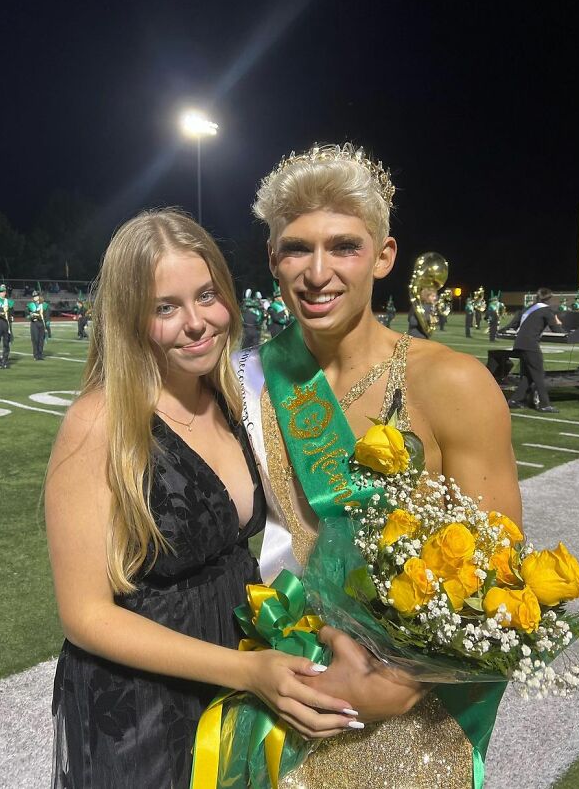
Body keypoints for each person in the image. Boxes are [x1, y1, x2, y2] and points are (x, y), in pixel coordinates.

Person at [237, 143, 522, 787]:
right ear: (272, 260)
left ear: (384, 257)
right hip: (285, 696)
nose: (317, 273)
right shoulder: (250, 381)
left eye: (344, 247)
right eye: (295, 248)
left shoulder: (452, 383)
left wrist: (395, 683)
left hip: (418, 723)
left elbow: (505, 579)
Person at [46, 209, 357, 789]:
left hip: (236, 676)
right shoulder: (99, 423)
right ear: (130, 318)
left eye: (208, 295)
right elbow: (84, 615)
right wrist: (244, 669)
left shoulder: (228, 394)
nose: (197, 323)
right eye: (166, 307)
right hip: (143, 704)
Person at [508, 287, 563, 413]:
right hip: (530, 344)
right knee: (539, 375)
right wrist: (561, 326)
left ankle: (514, 400)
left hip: (519, 343)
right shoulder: (546, 310)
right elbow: (556, 330)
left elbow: (514, 324)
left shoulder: (528, 309)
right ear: (549, 299)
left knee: (529, 375)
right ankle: (544, 404)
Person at [27, 290, 50, 360]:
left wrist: (47, 324)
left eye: (36, 296)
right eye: (34, 296)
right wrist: (30, 317)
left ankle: (40, 354)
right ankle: (35, 355)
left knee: (41, 340)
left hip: (42, 323)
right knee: (35, 339)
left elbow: (47, 315)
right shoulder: (30, 305)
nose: (35, 297)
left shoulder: (44, 305)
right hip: (34, 323)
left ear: (39, 296)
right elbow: (27, 315)